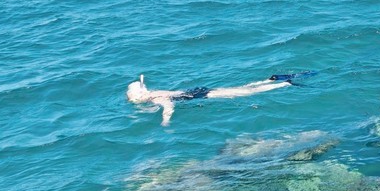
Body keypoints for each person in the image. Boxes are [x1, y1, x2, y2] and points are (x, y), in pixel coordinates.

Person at [126, 74, 297, 126]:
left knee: (244, 93)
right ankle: (270, 80)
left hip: (198, 96)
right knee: (242, 88)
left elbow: (168, 106)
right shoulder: (154, 92)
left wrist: (165, 120)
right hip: (195, 91)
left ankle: (282, 84)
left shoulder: (156, 97)